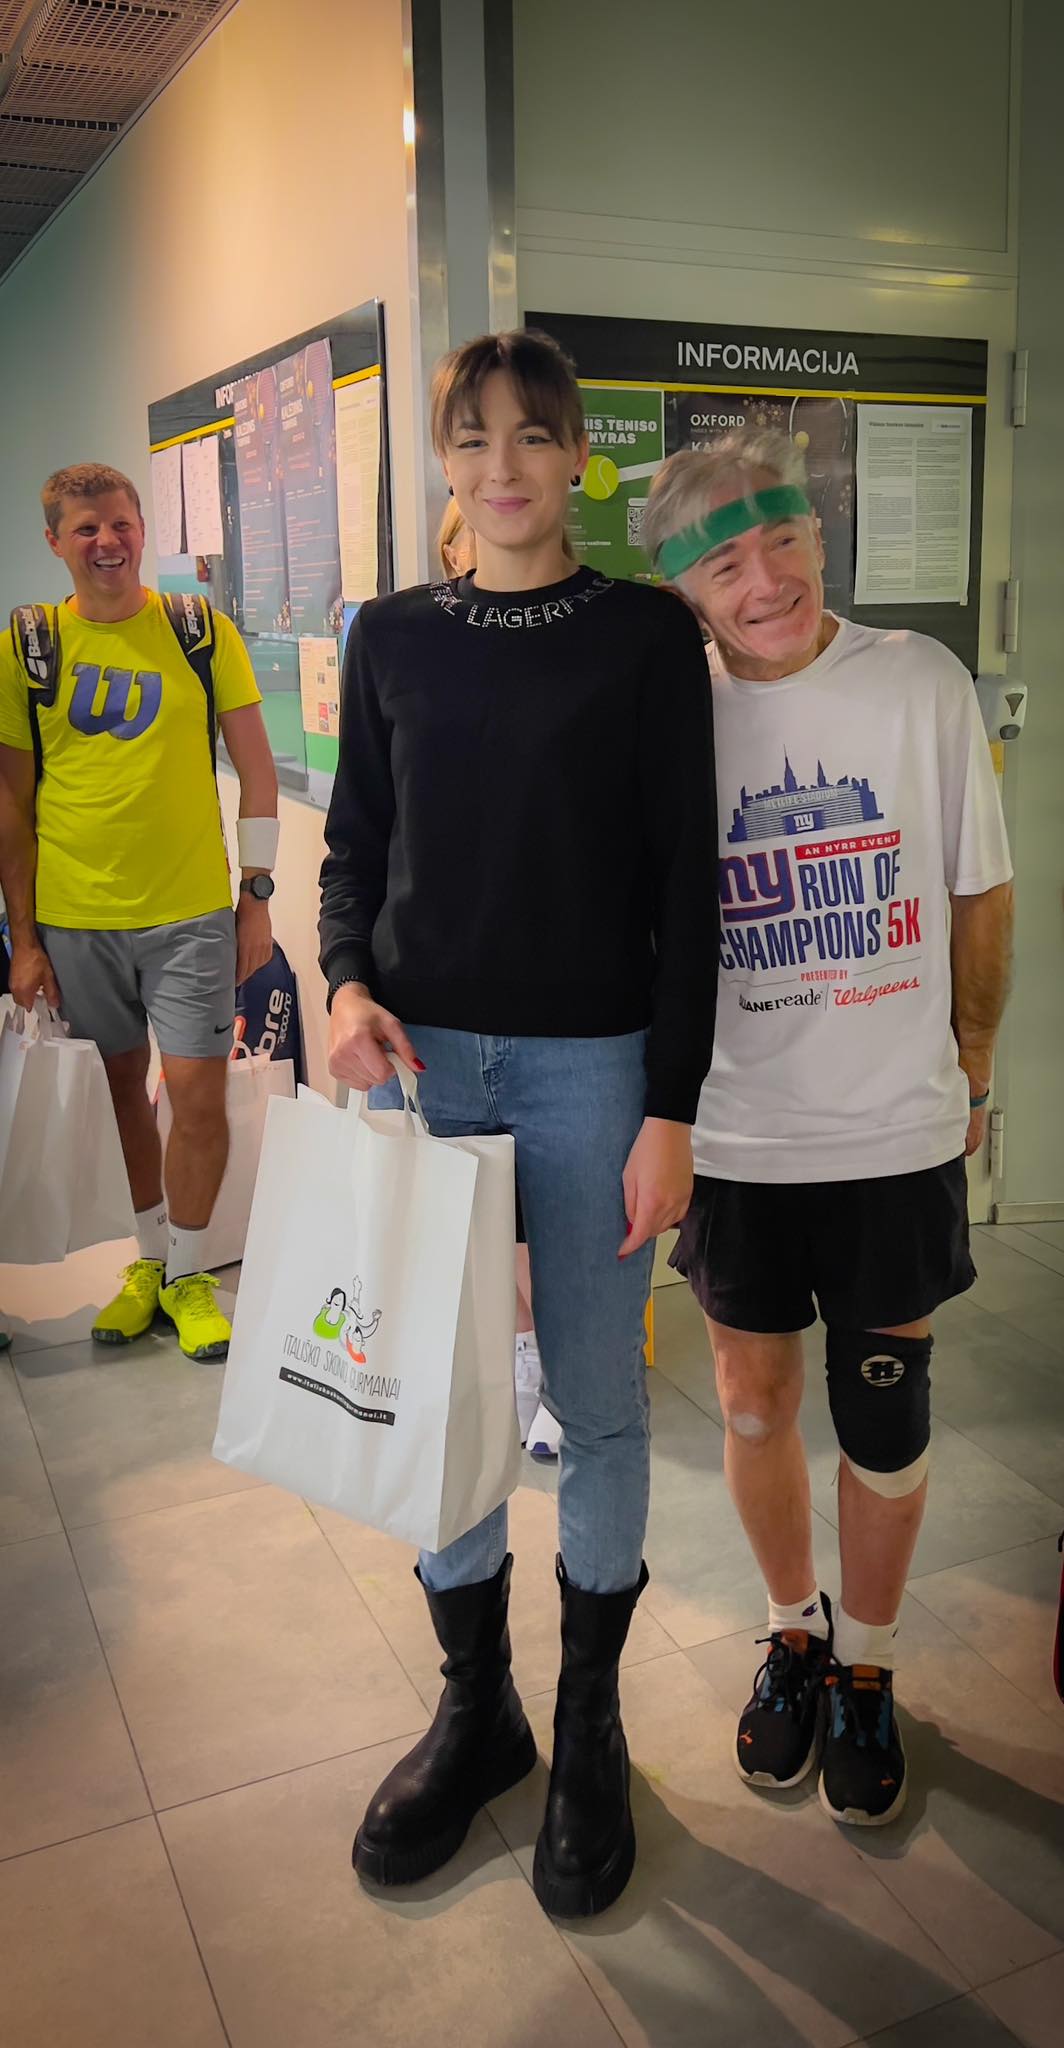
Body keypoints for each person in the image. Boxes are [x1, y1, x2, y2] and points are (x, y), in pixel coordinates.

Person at [320, 328, 718, 1917]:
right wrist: (345, 985)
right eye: (474, 438)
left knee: (601, 1411)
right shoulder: (390, 636)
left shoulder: (642, 636)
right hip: (424, 1069)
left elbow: (688, 888)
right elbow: (356, 847)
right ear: (445, 461)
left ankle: (591, 1726)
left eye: (533, 436)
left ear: (577, 460)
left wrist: (670, 1107)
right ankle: (478, 1709)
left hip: (591, 1071)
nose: (503, 466)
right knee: (446, 1402)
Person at [642, 428, 1013, 1826]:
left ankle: (868, 1659)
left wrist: (973, 1066)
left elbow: (980, 888)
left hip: (893, 1133)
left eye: (782, 541)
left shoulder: (918, 680)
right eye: (724, 565)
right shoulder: (670, 716)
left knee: (884, 1416)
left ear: (817, 534)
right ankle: (793, 1630)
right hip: (737, 1134)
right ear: (684, 590)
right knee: (749, 1401)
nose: (765, 583)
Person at [0, 462, 279, 1360]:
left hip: (191, 913)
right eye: (85, 529)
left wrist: (256, 898)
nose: (107, 542)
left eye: (120, 524)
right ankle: (150, 1263)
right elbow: (13, 806)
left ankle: (191, 1275)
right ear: (55, 541)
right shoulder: (28, 646)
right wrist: (25, 940)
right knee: (123, 1093)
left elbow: (258, 775)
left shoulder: (199, 631)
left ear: (141, 530)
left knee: (197, 1096)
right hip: (77, 918)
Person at [436, 496, 562, 1462]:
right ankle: (521, 1355)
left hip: (569, 1006)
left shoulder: (592, 649)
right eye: (460, 547)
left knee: (557, 1216)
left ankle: (555, 1361)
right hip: (449, 1004)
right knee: (491, 1223)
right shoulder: (409, 649)